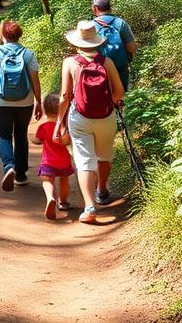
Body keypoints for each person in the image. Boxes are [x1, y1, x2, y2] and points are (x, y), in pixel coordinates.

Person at [55, 20, 125, 224]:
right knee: (104, 155)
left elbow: (65, 95)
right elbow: (119, 92)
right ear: (97, 41)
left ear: (77, 41)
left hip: (80, 117)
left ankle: (89, 207)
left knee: (84, 160)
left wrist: (60, 121)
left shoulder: (70, 62)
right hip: (106, 116)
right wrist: (108, 101)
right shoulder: (107, 62)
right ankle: (102, 190)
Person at [0, 20, 42, 191]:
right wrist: (38, 102)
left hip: (0, 102)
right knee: (21, 135)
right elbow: (35, 81)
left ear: (3, 35)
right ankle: (21, 175)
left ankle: (9, 167)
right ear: (19, 35)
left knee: (3, 136)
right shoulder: (28, 54)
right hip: (25, 102)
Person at [36, 93, 74, 220]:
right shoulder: (63, 127)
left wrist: (33, 139)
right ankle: (63, 202)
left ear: (45, 111)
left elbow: (37, 140)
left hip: (48, 161)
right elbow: (68, 141)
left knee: (47, 181)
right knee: (64, 180)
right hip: (64, 160)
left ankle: (50, 198)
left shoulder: (43, 127)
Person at [91, 0, 137, 90]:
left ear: (95, 8)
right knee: (121, 97)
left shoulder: (90, 26)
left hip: (99, 71)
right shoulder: (120, 23)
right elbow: (132, 47)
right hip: (120, 69)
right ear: (110, 7)